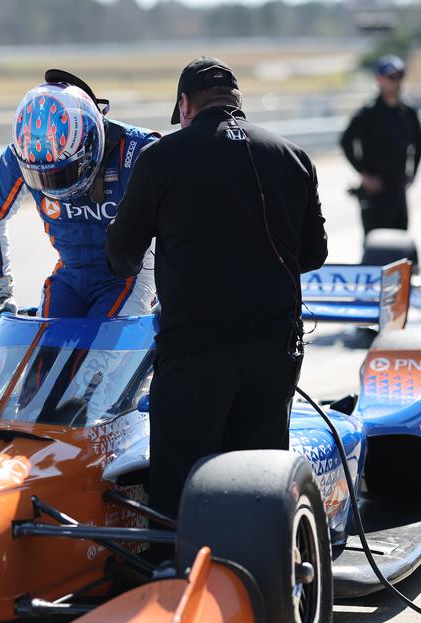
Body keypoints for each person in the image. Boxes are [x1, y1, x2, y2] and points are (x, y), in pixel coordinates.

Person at [106, 57, 328, 518]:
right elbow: (313, 254)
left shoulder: (161, 158)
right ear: (237, 101)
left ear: (185, 104)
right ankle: (257, 585)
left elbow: (121, 254)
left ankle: (185, 582)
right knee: (260, 492)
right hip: (272, 354)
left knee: (181, 499)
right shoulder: (292, 156)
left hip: (194, 356)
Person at [0, 70, 158, 334]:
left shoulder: (140, 151)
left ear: (91, 142)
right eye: (41, 177)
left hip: (129, 278)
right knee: (41, 365)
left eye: (61, 174)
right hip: (70, 275)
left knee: (96, 369)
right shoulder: (23, 153)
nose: (53, 186)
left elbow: (179, 224)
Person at [340, 55, 421, 240]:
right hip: (374, 192)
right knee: (374, 244)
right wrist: (364, 174)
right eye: (391, 77)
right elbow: (345, 141)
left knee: (400, 243)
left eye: (400, 76)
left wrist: (413, 173)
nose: (397, 82)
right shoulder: (368, 112)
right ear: (379, 80)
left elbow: (419, 142)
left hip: (398, 189)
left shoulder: (408, 112)